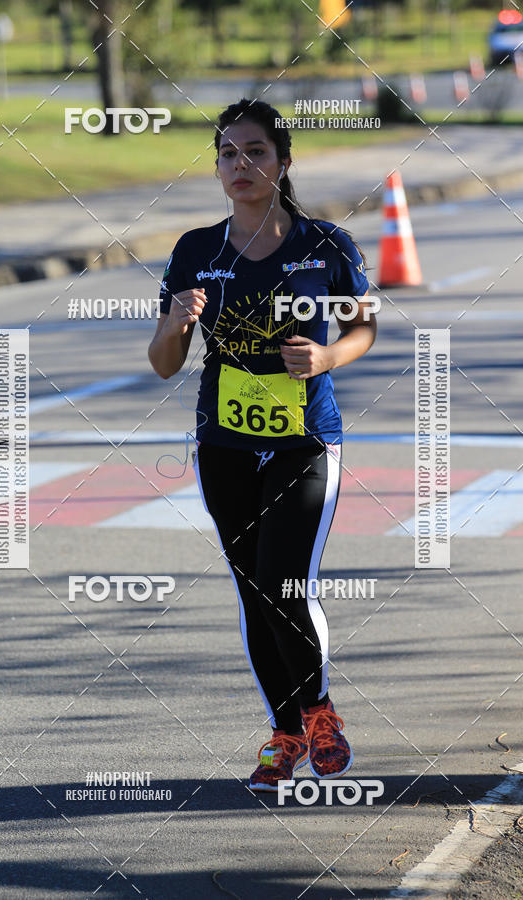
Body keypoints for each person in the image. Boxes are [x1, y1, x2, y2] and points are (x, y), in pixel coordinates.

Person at [148, 98, 377, 792]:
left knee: (284, 581)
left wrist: (329, 359)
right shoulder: (196, 250)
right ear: (216, 167)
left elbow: (364, 328)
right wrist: (177, 325)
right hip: (225, 446)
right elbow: (162, 362)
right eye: (227, 154)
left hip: (306, 442)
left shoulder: (327, 246)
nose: (240, 165)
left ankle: (319, 713)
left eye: (255, 153)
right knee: (254, 592)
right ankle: (284, 735)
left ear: (282, 163)